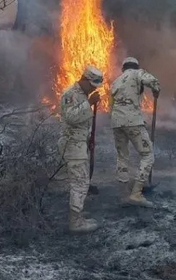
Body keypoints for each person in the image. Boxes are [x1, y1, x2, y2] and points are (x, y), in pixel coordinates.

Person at [109, 57, 160, 207]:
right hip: (133, 121)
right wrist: (156, 90)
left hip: (116, 122)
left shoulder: (115, 82)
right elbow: (153, 81)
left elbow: (111, 105)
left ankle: (124, 193)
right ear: (136, 67)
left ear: (123, 68)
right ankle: (136, 193)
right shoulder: (138, 73)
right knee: (147, 155)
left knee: (122, 156)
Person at [58, 66, 103, 233]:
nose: (93, 89)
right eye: (91, 85)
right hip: (72, 144)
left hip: (79, 143)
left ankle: (77, 215)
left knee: (80, 181)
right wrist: (89, 103)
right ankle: (75, 222)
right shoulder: (70, 94)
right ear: (83, 79)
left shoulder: (82, 95)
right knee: (80, 182)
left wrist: (89, 139)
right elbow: (70, 118)